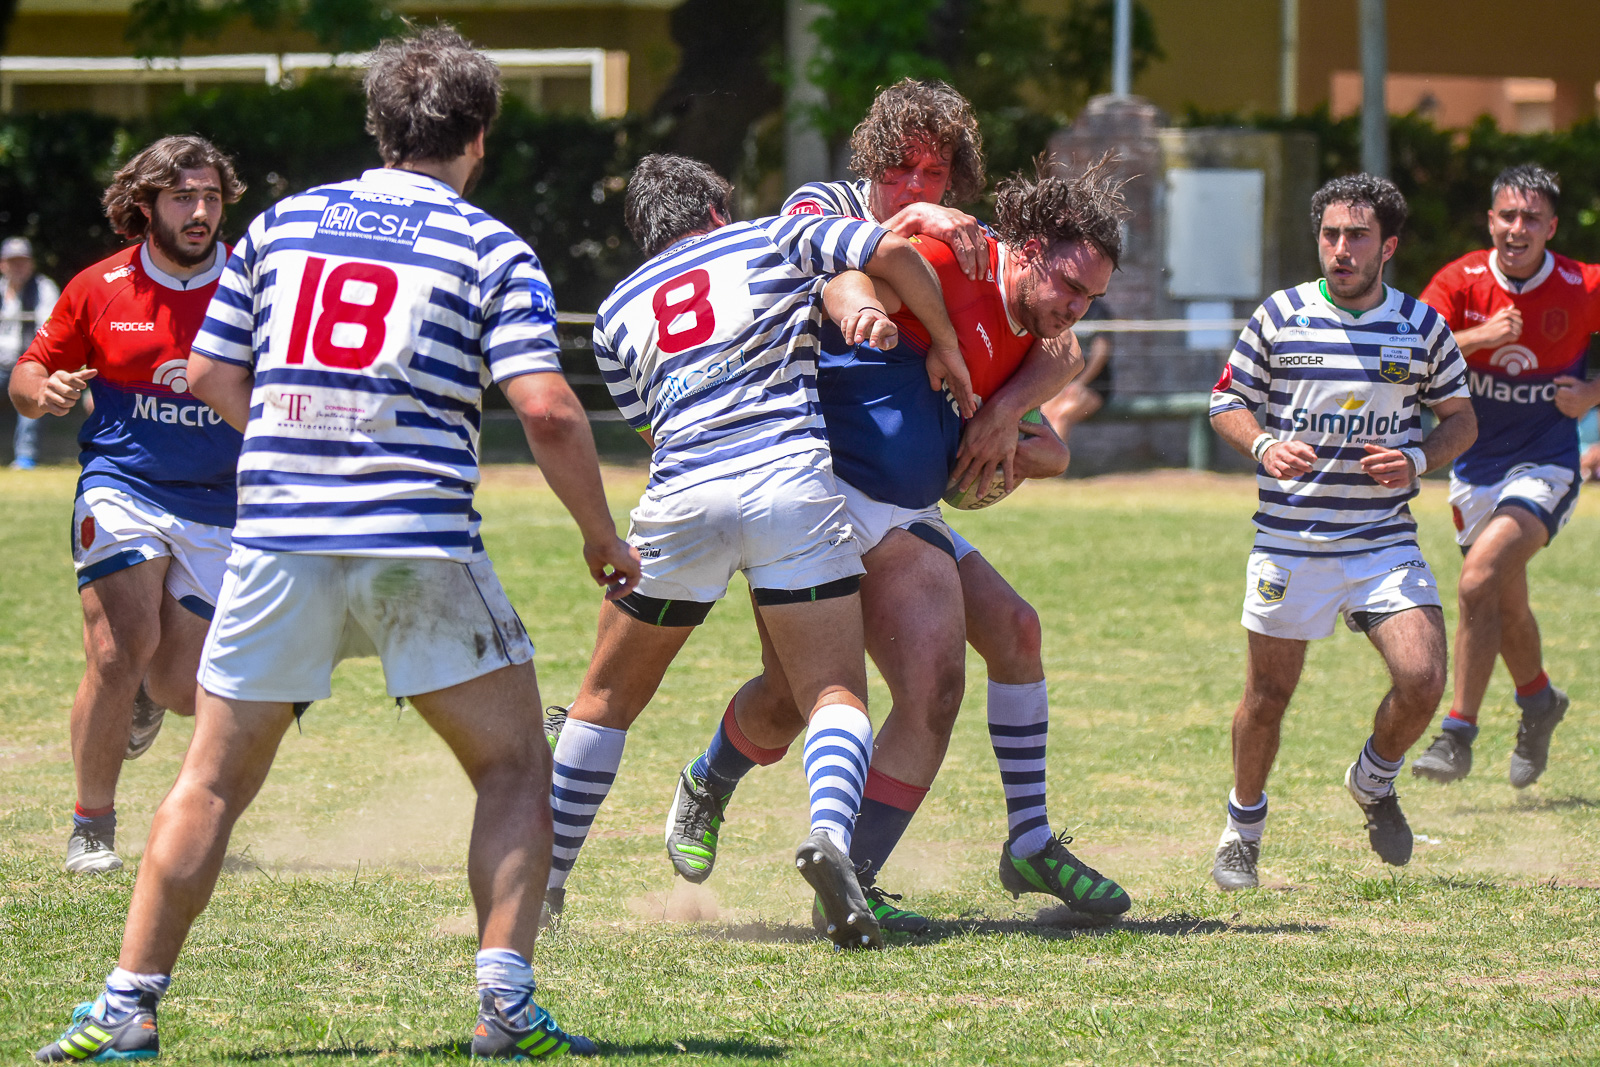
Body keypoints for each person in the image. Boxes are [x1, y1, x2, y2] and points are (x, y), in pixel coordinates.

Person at [33, 27, 637, 1063]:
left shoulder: (280, 225)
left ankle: (126, 1003)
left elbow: (211, 374)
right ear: (477, 138)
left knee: (209, 780)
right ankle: (502, 1003)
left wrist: (294, 440)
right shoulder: (490, 246)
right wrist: (599, 533)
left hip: (278, 538)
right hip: (416, 542)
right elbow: (545, 408)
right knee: (512, 765)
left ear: (379, 127)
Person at [648, 79, 1124, 932]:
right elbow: (845, 279)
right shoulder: (865, 222)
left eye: (934, 173)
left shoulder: (1002, 276)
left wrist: (1006, 422)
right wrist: (880, 309)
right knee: (806, 697)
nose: (916, 184)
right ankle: (716, 784)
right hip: (817, 487)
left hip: (905, 507)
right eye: (901, 168)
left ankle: (1013, 841)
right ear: (871, 162)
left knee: (1008, 635)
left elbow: (1060, 351)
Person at [544, 152, 974, 950]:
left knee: (603, 700)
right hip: (790, 486)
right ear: (718, 207)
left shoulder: (612, 312)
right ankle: (831, 841)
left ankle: (542, 881)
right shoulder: (771, 236)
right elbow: (890, 252)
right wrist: (945, 342)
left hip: (684, 494)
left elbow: (649, 428)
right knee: (835, 694)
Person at [1207, 174, 1476, 892]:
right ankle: (1242, 831)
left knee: (1423, 678)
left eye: (1357, 235)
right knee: (1267, 695)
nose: (1340, 248)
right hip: (1289, 542)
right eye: (1330, 234)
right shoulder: (1280, 315)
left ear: (1388, 246)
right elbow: (1226, 401)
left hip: (1382, 541)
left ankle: (1373, 779)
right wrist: (1263, 444)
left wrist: (1418, 458)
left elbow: (1461, 419)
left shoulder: (1421, 327)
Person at [9, 136, 245, 876]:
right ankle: (92, 827)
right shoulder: (100, 285)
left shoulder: (253, 284)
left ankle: (148, 692)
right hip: (124, 485)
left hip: (222, 501)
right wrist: (42, 391)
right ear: (146, 205)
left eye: (210, 197)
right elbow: (28, 373)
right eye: (183, 197)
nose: (200, 211)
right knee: (118, 645)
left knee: (181, 685)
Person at [1412, 164, 1600, 788]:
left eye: (1531, 218)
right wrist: (1479, 337)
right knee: (1504, 603)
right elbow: (1410, 352)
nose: (1518, 228)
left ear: (1552, 227)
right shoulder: (1459, 281)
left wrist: (1593, 392)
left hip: (1547, 462)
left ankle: (1457, 734)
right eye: (1508, 216)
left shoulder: (1581, 284)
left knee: (1477, 581)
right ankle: (1539, 700)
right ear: (1491, 220)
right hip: (1474, 466)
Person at [0, 236, 59, 468]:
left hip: (29, 362)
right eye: (13, 262)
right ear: (2, 264)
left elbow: (49, 329)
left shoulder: (44, 288)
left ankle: (25, 458)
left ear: (31, 263)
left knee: (33, 393)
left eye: (22, 261)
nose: (18, 267)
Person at [1041, 300, 1115, 442]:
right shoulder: (1060, 309)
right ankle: (1040, 455)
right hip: (1063, 383)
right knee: (1044, 414)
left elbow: (1101, 352)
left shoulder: (1098, 311)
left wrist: (1080, 383)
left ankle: (1052, 456)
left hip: (1093, 385)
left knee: (1062, 415)